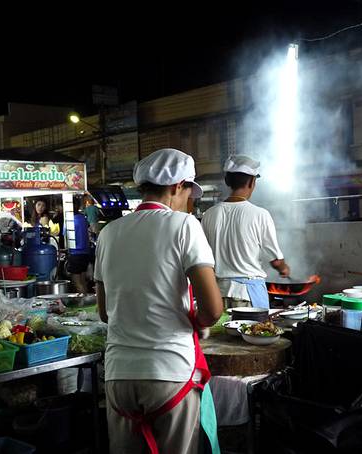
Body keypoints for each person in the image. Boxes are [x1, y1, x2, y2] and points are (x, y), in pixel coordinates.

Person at [95, 148, 223, 454]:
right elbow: (213, 309)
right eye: (188, 193)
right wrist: (200, 322)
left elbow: (104, 312)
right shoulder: (184, 225)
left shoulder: (109, 233)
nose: (188, 201)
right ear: (178, 186)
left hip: (119, 376)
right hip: (169, 372)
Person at [202, 155, 290, 309]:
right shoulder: (260, 214)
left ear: (227, 181)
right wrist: (284, 268)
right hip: (247, 296)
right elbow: (275, 260)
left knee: (220, 333)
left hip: (217, 295)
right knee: (252, 332)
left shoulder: (209, 214)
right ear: (252, 181)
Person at [67, 200, 92, 293]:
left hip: (75, 253)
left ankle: (83, 302)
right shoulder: (83, 219)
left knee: (77, 282)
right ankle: (88, 302)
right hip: (85, 253)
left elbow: (66, 236)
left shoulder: (69, 220)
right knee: (83, 281)